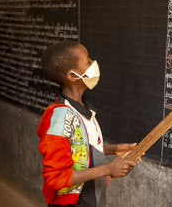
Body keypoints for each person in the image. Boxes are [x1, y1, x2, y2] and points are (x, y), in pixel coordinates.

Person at [37, 41, 139, 207]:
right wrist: (108, 169)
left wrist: (112, 150)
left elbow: (78, 151)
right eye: (88, 61)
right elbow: (56, 178)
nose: (93, 64)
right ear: (72, 76)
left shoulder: (83, 109)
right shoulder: (60, 119)